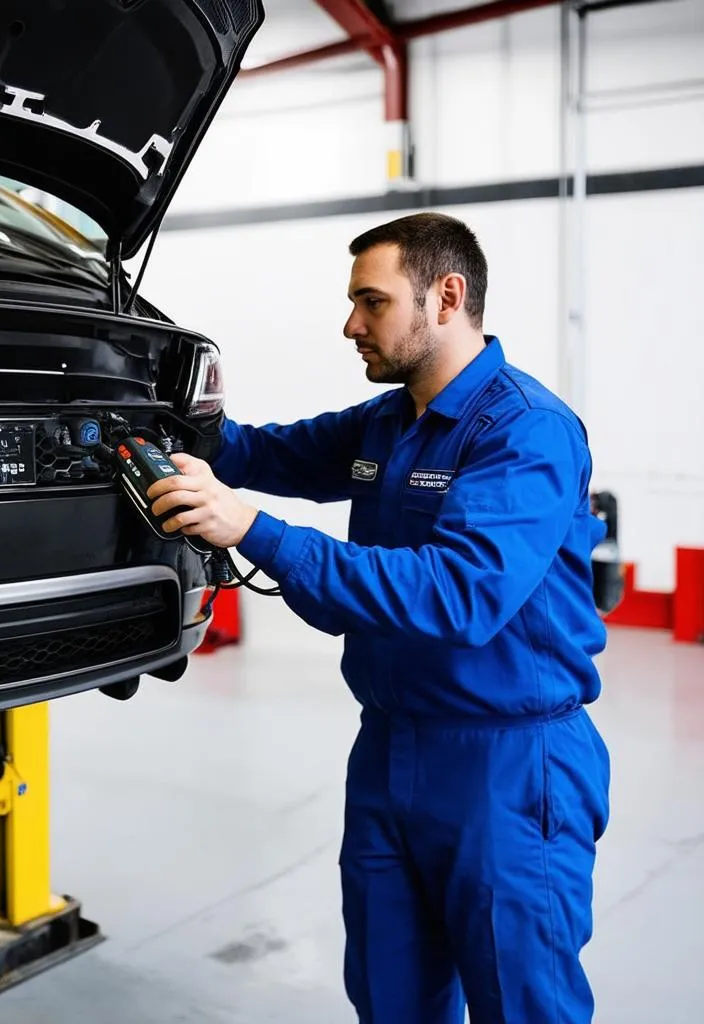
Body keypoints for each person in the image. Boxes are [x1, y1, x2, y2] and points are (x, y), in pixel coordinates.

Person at [146, 212, 611, 1024]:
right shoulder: (388, 420)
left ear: (446, 296)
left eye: (372, 302)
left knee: (523, 1000)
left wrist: (250, 529)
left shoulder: (527, 431)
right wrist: (158, 419)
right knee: (392, 995)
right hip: (390, 749)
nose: (351, 325)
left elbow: (459, 594)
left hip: (507, 763)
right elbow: (267, 453)